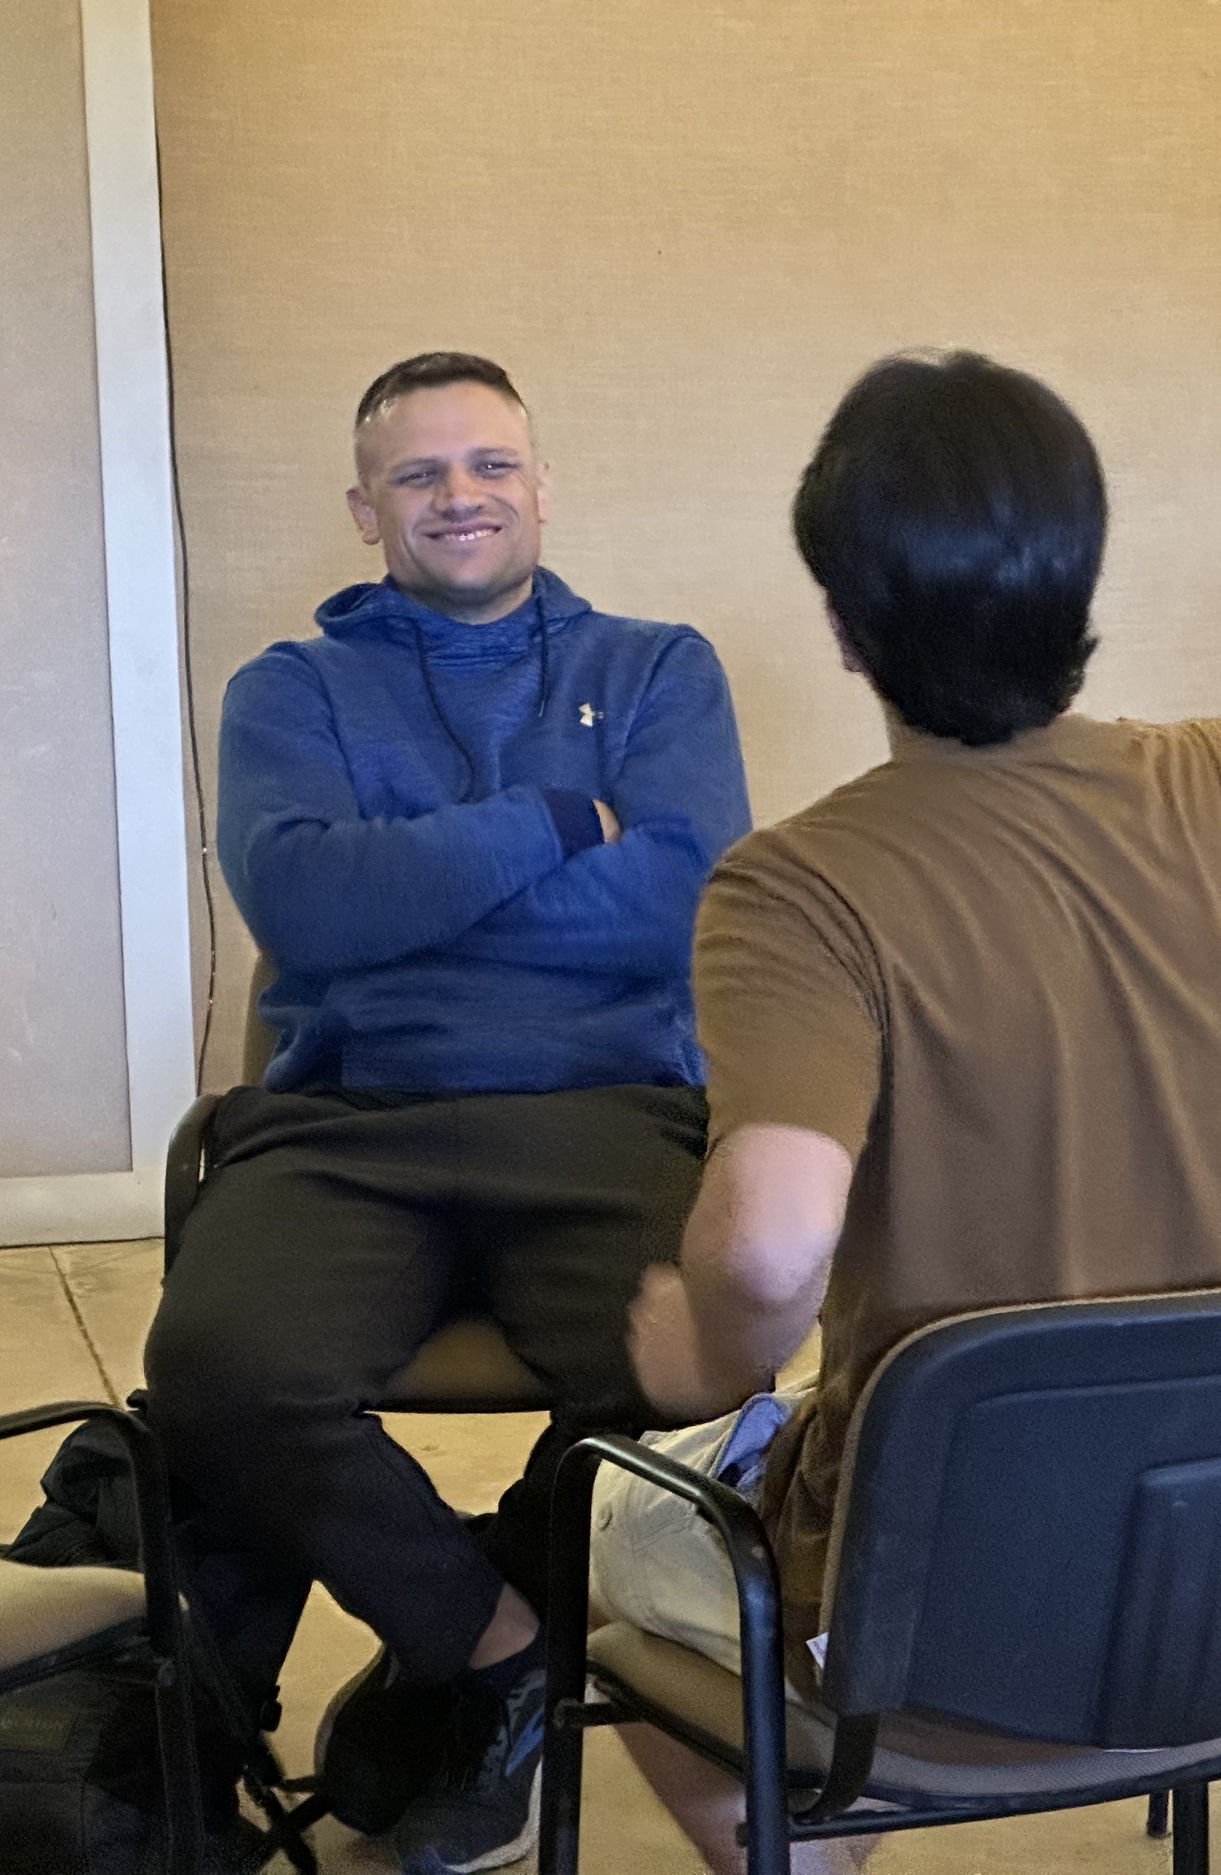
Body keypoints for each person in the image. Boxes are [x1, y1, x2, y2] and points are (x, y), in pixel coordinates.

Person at [590, 350, 1221, 1873]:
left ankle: (819, 1841)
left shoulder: (799, 888)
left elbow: (767, 1251)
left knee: (611, 1533)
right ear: (1079, 580)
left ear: (843, 625)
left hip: (950, 1649)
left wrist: (691, 1354)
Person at [142, 351, 751, 1870]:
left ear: (541, 487)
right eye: (418, 473)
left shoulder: (660, 668)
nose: (459, 496)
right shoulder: (289, 690)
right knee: (218, 1370)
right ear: (366, 510)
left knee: (690, 1380)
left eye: (490, 464)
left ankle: (479, 1644)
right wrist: (553, 821)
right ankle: (493, 1650)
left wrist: (410, 886)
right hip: (346, 1120)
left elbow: (679, 897)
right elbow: (308, 902)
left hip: (606, 1107)